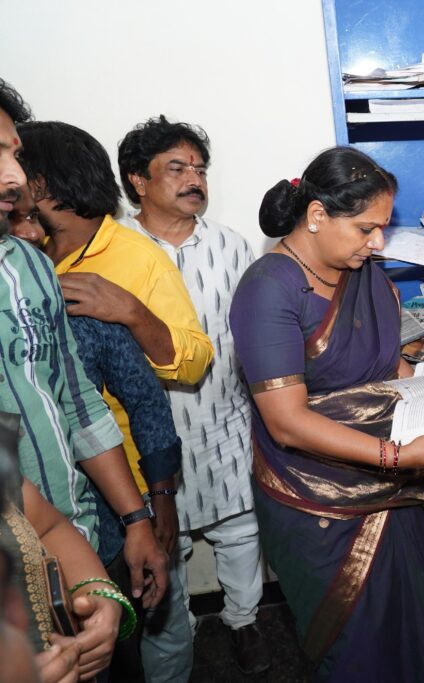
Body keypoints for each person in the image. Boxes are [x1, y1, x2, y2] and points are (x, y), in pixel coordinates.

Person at [229, 146, 424, 682]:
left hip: (391, 485)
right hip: (317, 499)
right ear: (316, 216)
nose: (378, 242)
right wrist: (398, 455)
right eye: (366, 228)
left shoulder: (365, 276)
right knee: (356, 644)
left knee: (415, 625)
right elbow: (287, 422)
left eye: (382, 227)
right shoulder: (269, 289)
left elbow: (392, 368)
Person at [15, 118, 210, 683]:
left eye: (17, 167)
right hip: (58, 488)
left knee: (156, 614)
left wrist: (130, 310)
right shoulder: (30, 258)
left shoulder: (135, 256)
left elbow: (193, 360)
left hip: (134, 477)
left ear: (45, 183)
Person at [0, 76, 169, 633]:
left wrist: (140, 516)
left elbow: (81, 405)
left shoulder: (32, 272)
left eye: (15, 155)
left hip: (84, 536)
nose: (15, 178)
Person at [116, 116, 266, 674]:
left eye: (199, 169)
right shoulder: (118, 251)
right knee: (164, 543)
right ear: (137, 180)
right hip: (148, 431)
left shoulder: (231, 245)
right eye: (176, 168)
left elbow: (250, 332)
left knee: (240, 531)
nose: (193, 179)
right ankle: (176, 630)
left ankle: (245, 623)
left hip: (224, 416)